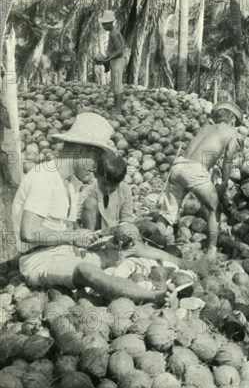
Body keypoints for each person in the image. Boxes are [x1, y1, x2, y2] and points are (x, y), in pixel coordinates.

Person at [12, 112, 177, 305]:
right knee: (86, 271)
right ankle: (155, 297)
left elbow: (69, 233)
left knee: (125, 250)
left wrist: (103, 235)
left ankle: (185, 265)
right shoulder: (43, 177)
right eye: (96, 160)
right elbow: (29, 233)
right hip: (38, 260)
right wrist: (74, 237)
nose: (96, 168)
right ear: (82, 152)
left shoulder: (71, 183)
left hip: (64, 252)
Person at [78, 149, 207, 272]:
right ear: (96, 175)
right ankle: (98, 253)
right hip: (94, 240)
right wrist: (90, 236)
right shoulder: (88, 193)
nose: (110, 189)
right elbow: (75, 224)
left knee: (147, 233)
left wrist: (121, 234)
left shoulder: (124, 190)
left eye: (114, 185)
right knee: (90, 203)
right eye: (105, 184)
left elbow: (126, 221)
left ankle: (182, 263)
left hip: (115, 237)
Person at [157, 101, 243, 261]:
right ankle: (211, 251)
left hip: (178, 166)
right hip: (196, 170)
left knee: (168, 212)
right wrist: (224, 183)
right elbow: (228, 160)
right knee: (214, 208)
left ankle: (154, 242)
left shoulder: (205, 128)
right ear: (232, 119)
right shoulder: (231, 131)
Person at [94, 10, 126, 113]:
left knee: (117, 85)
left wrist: (107, 59)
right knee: (115, 85)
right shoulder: (113, 32)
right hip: (115, 61)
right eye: (103, 24)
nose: (103, 27)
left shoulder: (114, 34)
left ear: (110, 23)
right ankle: (117, 107)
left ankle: (118, 109)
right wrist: (107, 62)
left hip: (118, 61)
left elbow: (120, 50)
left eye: (105, 24)